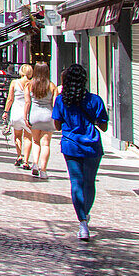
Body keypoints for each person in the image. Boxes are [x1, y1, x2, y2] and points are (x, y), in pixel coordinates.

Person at [52, 64, 109, 241]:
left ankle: (82, 221)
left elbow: (57, 125)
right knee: (89, 182)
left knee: (76, 181)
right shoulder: (95, 100)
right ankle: (86, 214)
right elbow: (104, 126)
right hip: (92, 145)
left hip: (70, 145)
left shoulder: (61, 101)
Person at [24, 62, 59, 179]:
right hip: (48, 116)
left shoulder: (30, 85)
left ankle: (35, 163)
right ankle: (43, 170)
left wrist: (26, 117)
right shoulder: (52, 86)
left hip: (34, 115)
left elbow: (27, 103)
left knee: (35, 141)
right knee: (46, 144)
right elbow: (55, 104)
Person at [2, 64, 34, 168]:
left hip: (16, 112)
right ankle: (26, 161)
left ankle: (19, 155)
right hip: (28, 113)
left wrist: (6, 111)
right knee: (28, 138)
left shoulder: (14, 83)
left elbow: (10, 99)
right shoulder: (32, 84)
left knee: (17, 136)